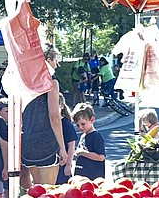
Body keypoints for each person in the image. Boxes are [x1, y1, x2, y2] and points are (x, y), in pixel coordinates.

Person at [20, 45, 68, 186]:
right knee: (48, 194)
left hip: (28, 142)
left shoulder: (25, 83)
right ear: (47, 60)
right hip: (47, 143)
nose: (56, 65)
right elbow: (54, 115)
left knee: (37, 190)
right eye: (55, 61)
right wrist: (62, 147)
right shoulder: (51, 83)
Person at [72, 103, 106, 180]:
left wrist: (82, 153)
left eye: (83, 124)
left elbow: (101, 157)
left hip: (93, 177)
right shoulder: (83, 136)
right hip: (81, 174)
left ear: (92, 120)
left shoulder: (96, 136)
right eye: (77, 125)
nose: (80, 127)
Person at [55, 95, 77, 185]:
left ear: (62, 106)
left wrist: (68, 165)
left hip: (62, 164)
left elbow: (71, 146)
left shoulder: (67, 124)